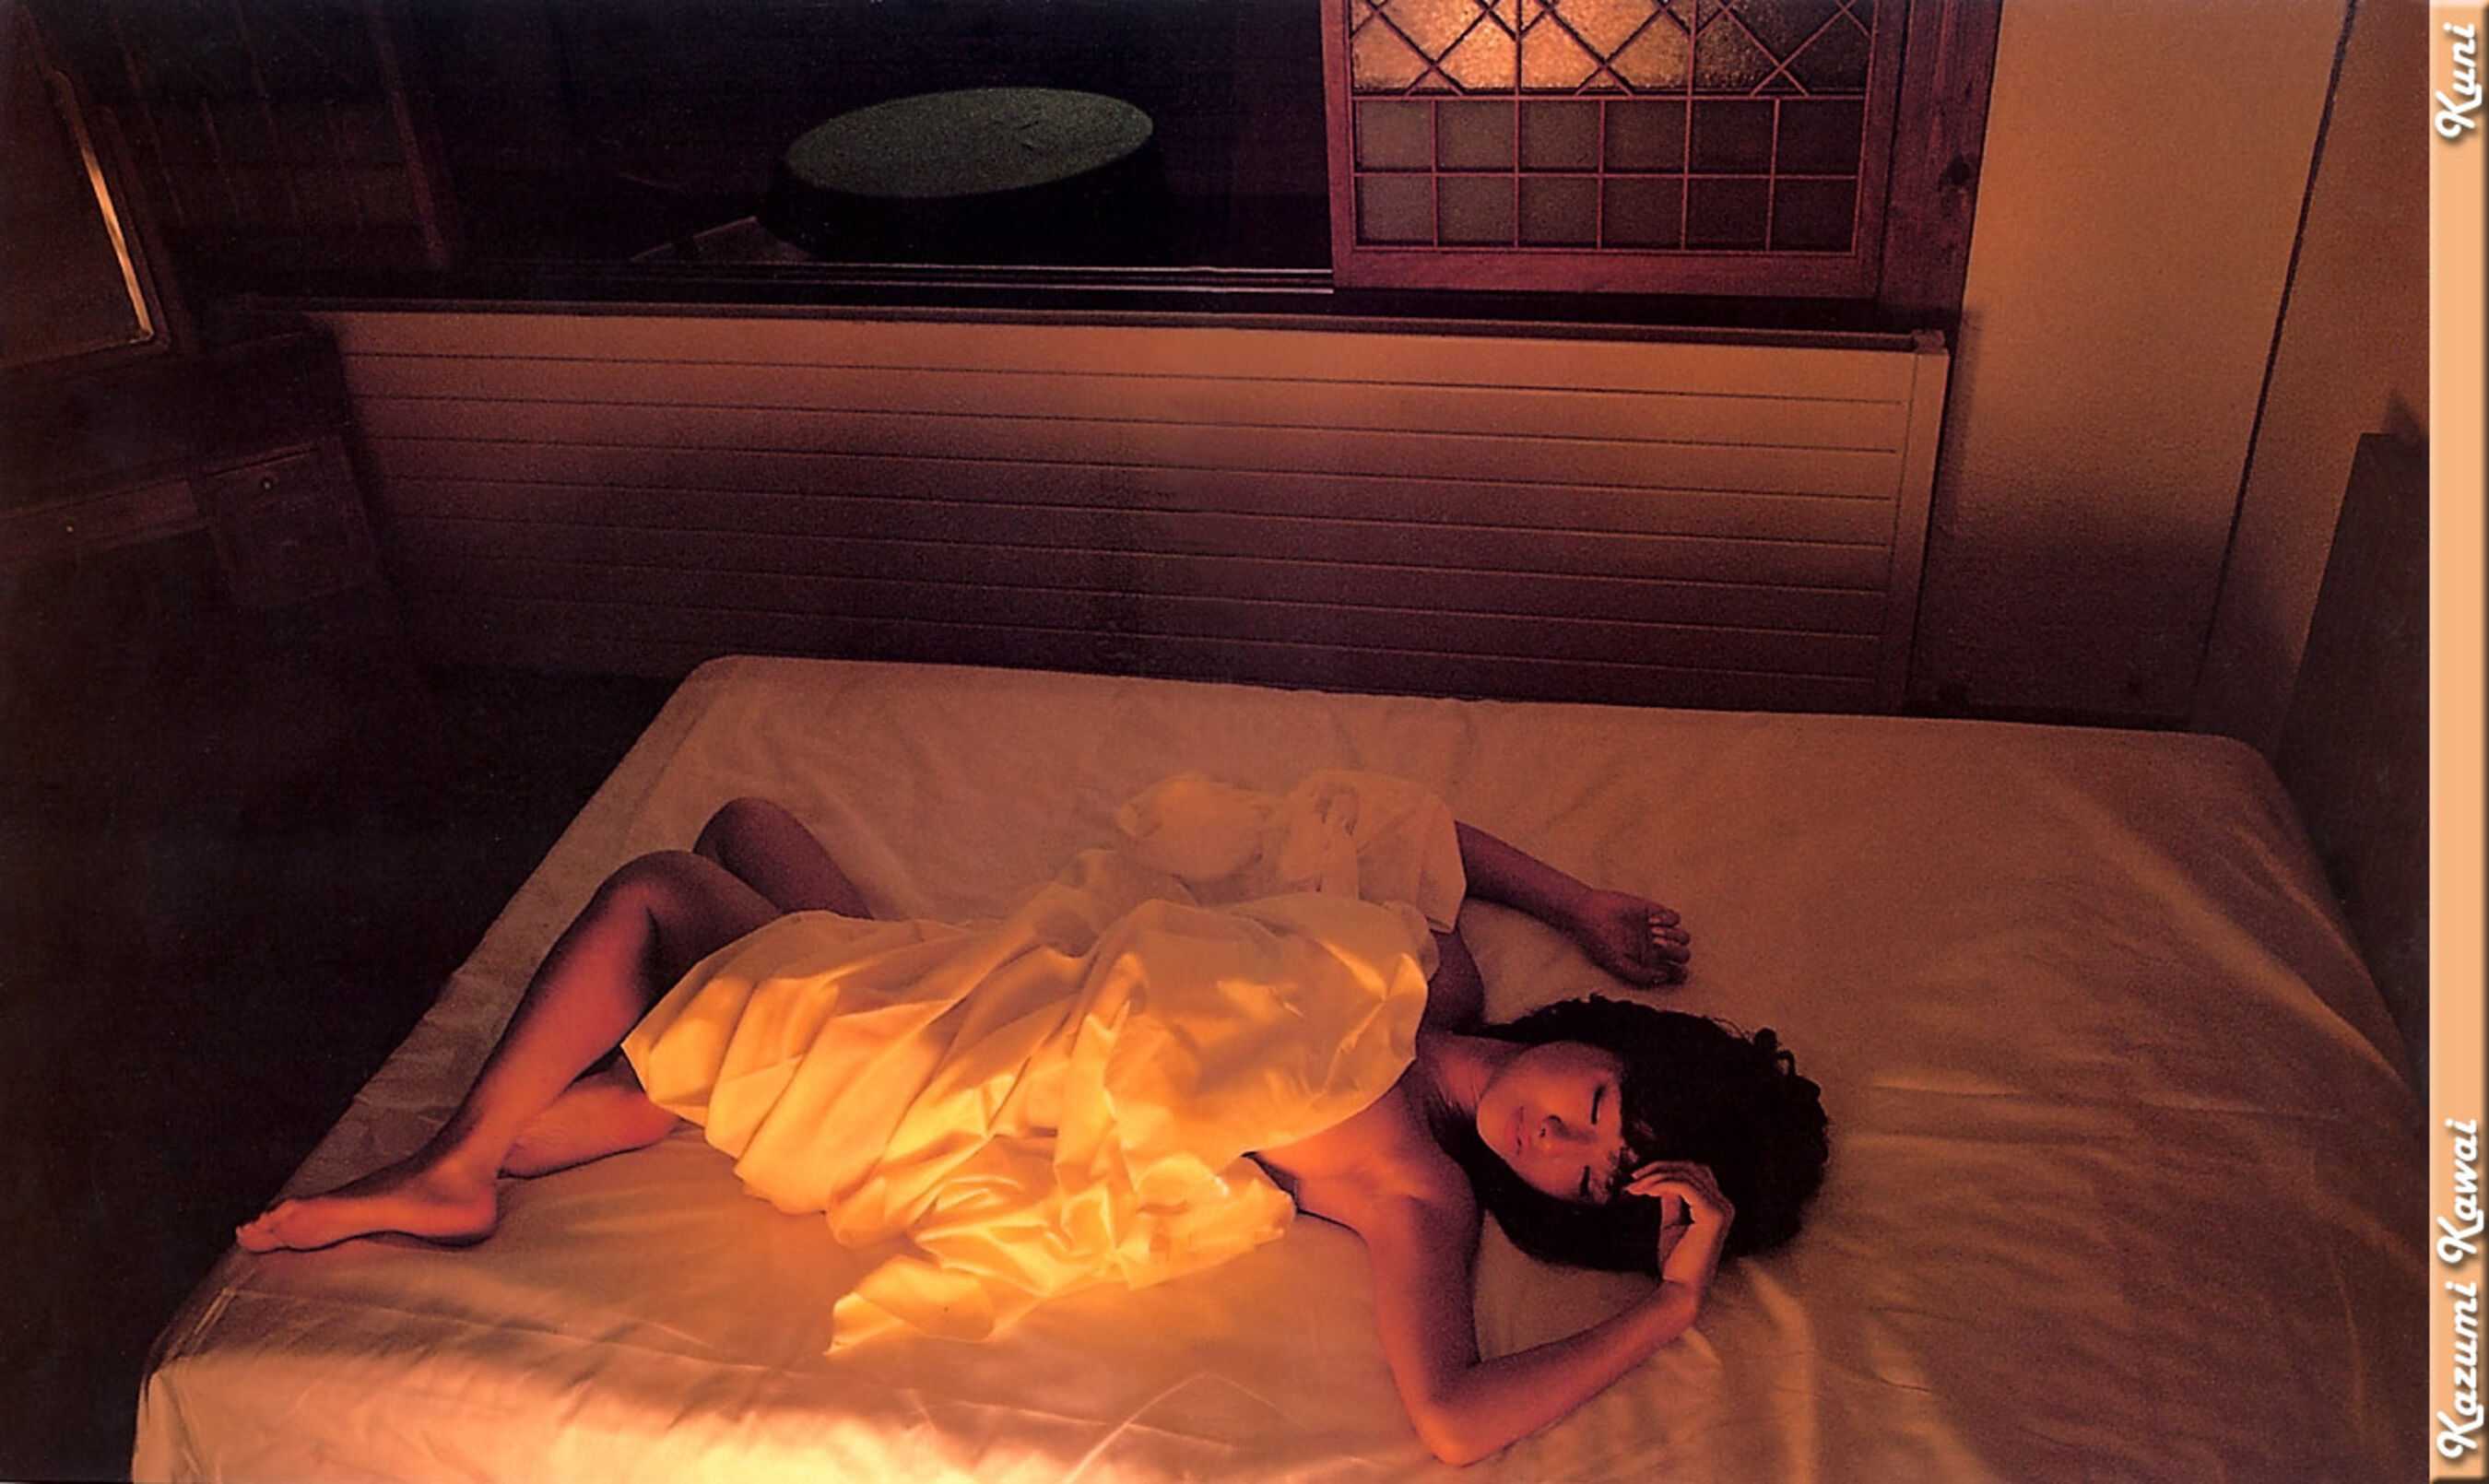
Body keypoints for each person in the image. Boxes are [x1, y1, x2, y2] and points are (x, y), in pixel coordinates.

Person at [238, 786, 1828, 1466]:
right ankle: (649, 1090)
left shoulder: (1415, 1189)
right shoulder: (1440, 966)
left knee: (659, 891)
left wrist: (1671, 1302)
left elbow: (1456, 1420)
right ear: (1598, 1038)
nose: (1568, 1143)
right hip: (1007, 968)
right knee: (748, 828)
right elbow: (1419, 829)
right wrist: (1583, 899)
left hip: (968, 1070)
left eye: (1596, 1178)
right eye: (1607, 1105)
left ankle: (462, 1165)